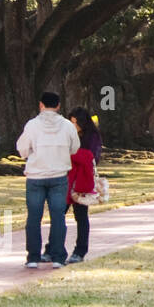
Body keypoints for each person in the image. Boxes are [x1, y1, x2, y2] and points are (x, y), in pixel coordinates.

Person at [15, 91, 80, 269]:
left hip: (36, 176)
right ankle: (58, 256)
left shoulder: (32, 125)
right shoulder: (67, 126)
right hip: (59, 175)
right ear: (58, 106)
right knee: (58, 216)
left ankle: (33, 257)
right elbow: (75, 148)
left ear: (41, 105)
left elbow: (22, 149)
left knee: (34, 217)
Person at [60, 108, 102, 264]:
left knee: (81, 216)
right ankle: (53, 249)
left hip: (81, 183)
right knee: (58, 214)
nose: (73, 126)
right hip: (66, 180)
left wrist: (71, 154)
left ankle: (80, 251)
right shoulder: (67, 135)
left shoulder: (92, 137)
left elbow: (90, 158)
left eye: (75, 123)